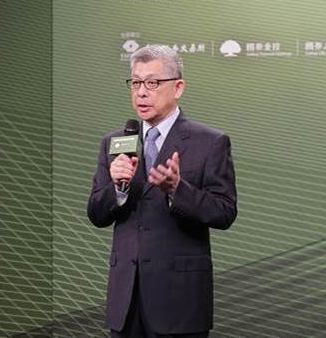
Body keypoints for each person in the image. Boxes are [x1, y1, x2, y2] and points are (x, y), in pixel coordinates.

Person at [88, 44, 238, 337]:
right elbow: (96, 213)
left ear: (178, 87)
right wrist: (117, 189)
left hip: (179, 301)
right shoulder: (114, 142)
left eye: (152, 83)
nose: (141, 93)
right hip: (126, 302)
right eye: (136, 83)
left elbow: (224, 212)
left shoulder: (210, 142)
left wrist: (177, 189)